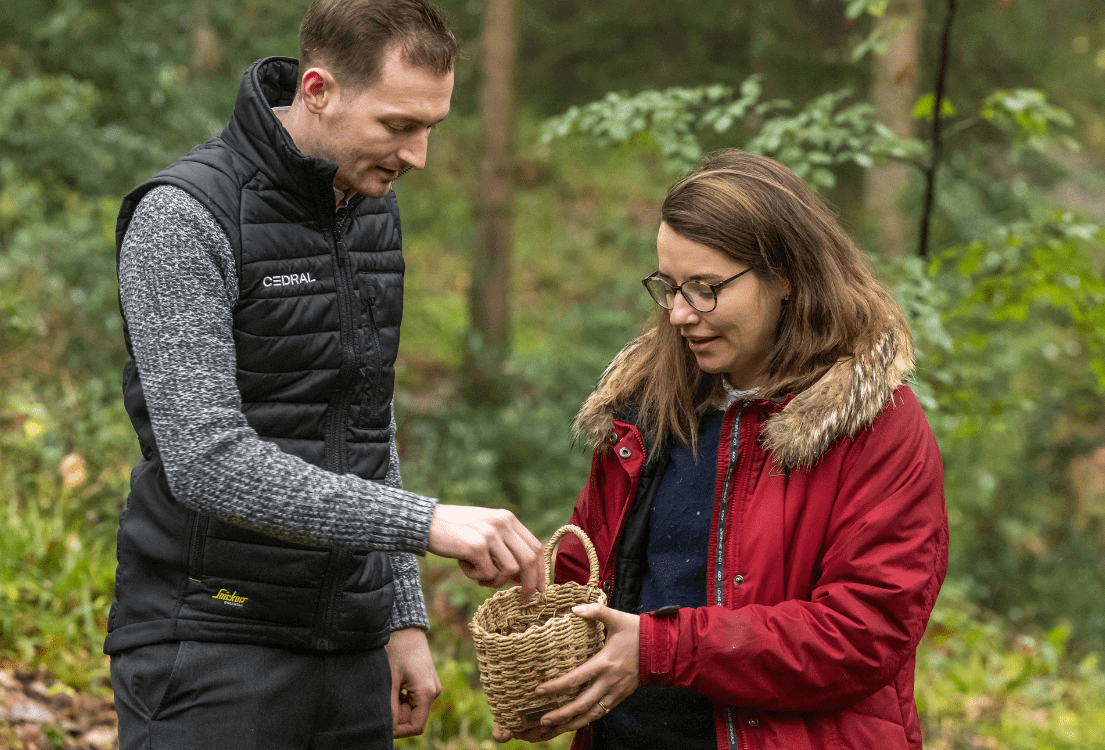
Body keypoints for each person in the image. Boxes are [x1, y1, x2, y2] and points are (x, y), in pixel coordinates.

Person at [107, 1, 543, 748]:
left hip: (349, 646)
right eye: (397, 126)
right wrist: (427, 524)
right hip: (211, 641)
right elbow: (207, 461)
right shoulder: (182, 217)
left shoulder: (371, 207)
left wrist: (399, 614)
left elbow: (366, 424)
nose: (417, 156)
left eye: (430, 128)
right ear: (318, 91)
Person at [496, 149, 948, 749]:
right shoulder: (645, 410)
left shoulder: (875, 426)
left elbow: (863, 633)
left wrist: (662, 650)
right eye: (670, 287)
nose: (680, 314)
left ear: (785, 275)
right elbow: (591, 575)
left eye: (706, 288)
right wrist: (547, 667)